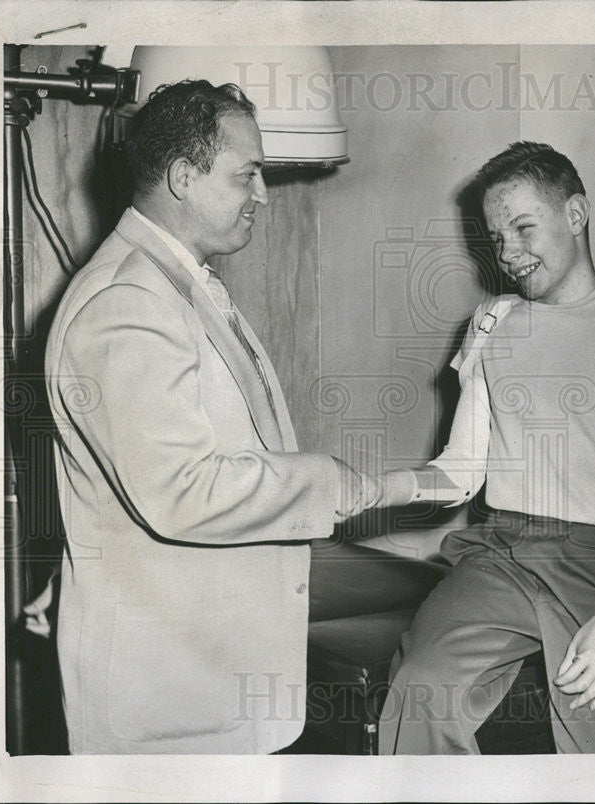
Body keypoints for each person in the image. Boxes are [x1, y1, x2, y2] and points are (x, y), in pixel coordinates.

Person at [44, 80, 368, 754]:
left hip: (210, 677)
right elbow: (182, 491)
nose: (263, 195)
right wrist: (343, 485)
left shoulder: (174, 282)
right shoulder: (126, 304)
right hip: (168, 699)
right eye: (247, 175)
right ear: (184, 177)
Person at [368, 142, 595, 754]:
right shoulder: (491, 323)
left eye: (523, 228)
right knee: (421, 686)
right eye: (496, 237)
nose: (508, 253)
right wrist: (372, 489)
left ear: (575, 213)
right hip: (503, 551)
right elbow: (462, 472)